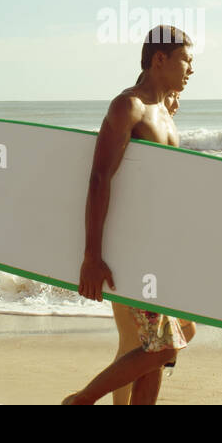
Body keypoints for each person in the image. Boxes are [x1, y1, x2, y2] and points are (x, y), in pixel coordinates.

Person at [63, 25, 195, 405]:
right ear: (159, 59)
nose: (191, 70)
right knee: (164, 348)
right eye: (186, 60)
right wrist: (92, 255)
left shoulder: (164, 111)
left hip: (159, 249)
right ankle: (81, 400)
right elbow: (99, 177)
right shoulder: (129, 106)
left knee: (157, 351)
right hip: (134, 250)